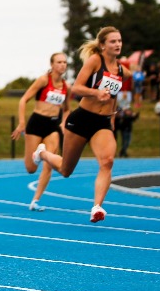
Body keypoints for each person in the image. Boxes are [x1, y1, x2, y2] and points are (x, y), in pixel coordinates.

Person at [36, 27, 128, 223]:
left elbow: (115, 94)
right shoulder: (95, 61)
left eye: (119, 41)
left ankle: (97, 207)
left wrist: (112, 116)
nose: (117, 44)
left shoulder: (120, 69)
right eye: (113, 41)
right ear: (103, 45)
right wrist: (95, 93)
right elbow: (76, 87)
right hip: (82, 119)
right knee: (66, 170)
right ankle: (43, 154)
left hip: (102, 123)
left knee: (108, 161)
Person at [11, 52, 70, 211]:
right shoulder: (44, 80)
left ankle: (35, 200)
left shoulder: (66, 86)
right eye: (59, 62)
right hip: (36, 123)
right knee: (31, 169)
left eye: (65, 62)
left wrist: (64, 123)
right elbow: (24, 100)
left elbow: (67, 109)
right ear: (52, 65)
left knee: (49, 165)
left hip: (53, 125)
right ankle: (40, 153)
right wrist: (22, 123)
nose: (62, 65)